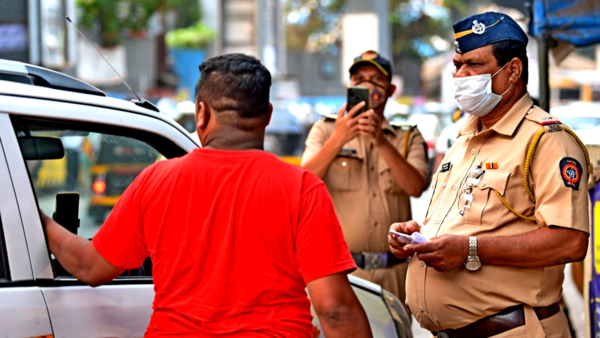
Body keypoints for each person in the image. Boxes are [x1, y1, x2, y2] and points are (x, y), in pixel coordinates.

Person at [42, 53, 372, 338]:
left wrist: (36, 221)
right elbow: (335, 310)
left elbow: (90, 267)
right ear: (267, 115)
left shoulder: (156, 181)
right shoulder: (301, 187)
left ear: (201, 113)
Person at [389, 12, 590, 337]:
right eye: (457, 65)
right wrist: (417, 235)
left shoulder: (546, 140)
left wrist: (470, 249)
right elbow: (467, 220)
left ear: (513, 70)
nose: (461, 75)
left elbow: (570, 241)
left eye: (474, 65)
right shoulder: (463, 139)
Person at [302, 50, 429, 302]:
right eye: (359, 78)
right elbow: (304, 182)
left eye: (376, 79)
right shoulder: (325, 129)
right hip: (343, 270)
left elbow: (416, 187)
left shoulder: (407, 137)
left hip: (396, 271)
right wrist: (339, 138)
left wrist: (381, 142)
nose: (367, 84)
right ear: (349, 86)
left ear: (390, 90)